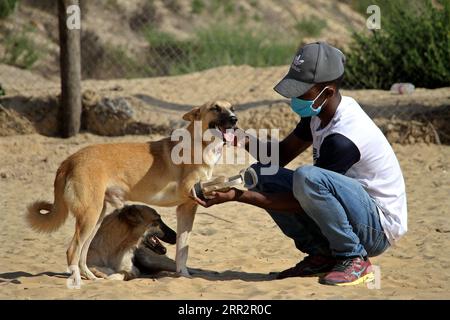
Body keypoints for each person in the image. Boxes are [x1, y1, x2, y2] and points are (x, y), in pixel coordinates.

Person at [195, 41, 407, 286]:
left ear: (326, 92)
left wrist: (236, 196)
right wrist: (237, 137)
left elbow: (302, 201)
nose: (295, 97)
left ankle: (354, 258)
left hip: (376, 229)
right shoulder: (319, 113)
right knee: (261, 174)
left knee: (308, 177)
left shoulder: (343, 137)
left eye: (301, 91)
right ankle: (322, 254)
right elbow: (279, 156)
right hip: (351, 212)